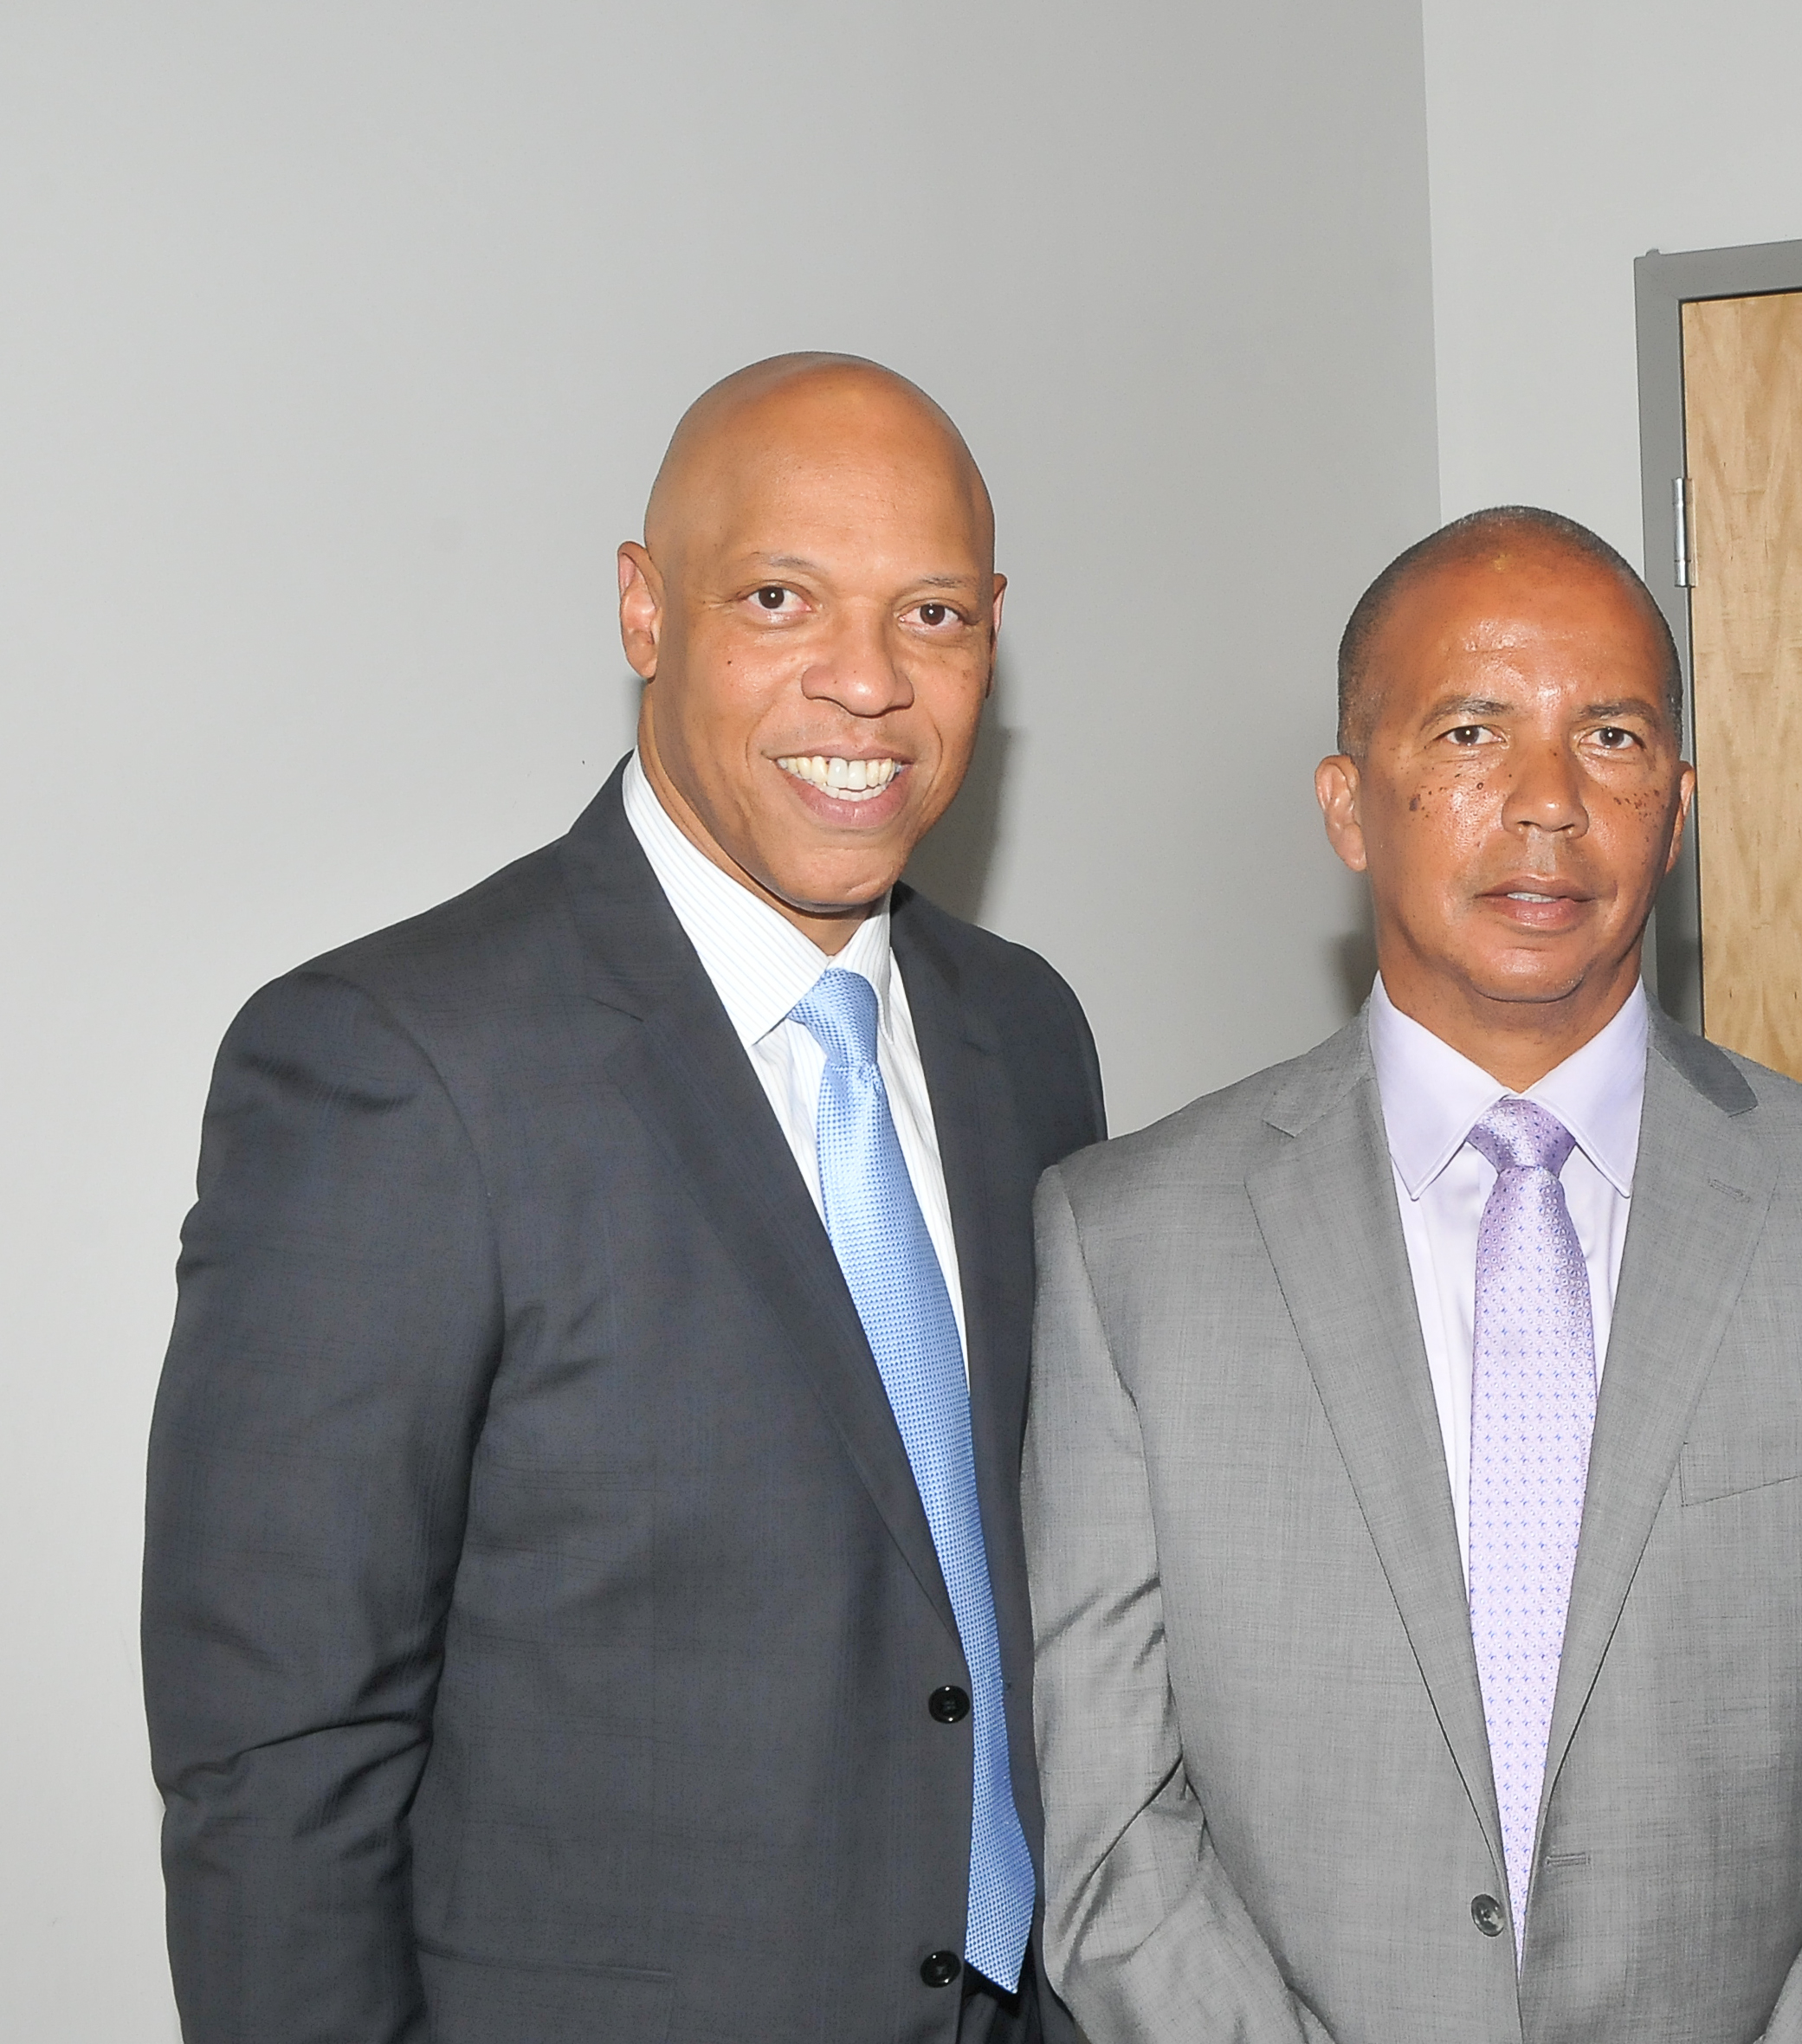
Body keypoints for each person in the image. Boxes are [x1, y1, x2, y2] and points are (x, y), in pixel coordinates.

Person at [144, 354, 1100, 2044]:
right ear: (644, 609)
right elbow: (280, 1778)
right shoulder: (393, 1068)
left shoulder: (1024, 1035)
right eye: (781, 597)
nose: (867, 682)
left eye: (933, 612)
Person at [1023, 506, 1802, 2044]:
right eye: (1474, 731)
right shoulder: (1130, 1245)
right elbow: (1113, 1831)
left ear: (1677, 808)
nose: (1548, 803)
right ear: (1350, 804)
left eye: (1610, 737)